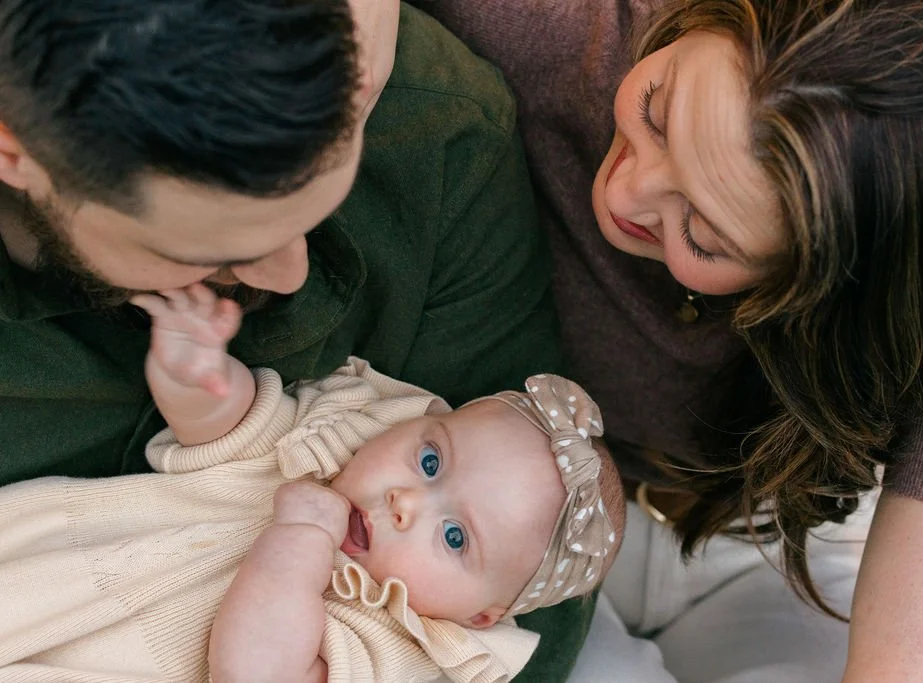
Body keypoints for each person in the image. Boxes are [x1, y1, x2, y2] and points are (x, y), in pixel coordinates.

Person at [414, 0, 923, 681]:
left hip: (769, 544)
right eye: (655, 110)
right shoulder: (558, 24)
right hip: (505, 518)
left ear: (819, 290)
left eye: (703, 233)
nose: (627, 190)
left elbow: (917, 664)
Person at [0, 1, 592, 679]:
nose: (293, 273)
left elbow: (538, 564)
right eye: (210, 251)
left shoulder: (432, 138)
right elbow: (244, 431)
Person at [0, 285, 626, 683]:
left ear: (482, 614)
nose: (407, 504)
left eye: (456, 537)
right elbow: (234, 429)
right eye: (431, 463)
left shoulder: (410, 649)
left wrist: (298, 541)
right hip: (60, 573)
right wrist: (196, 374)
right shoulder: (336, 445)